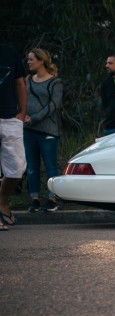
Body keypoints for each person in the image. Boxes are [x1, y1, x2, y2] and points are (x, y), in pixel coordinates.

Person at [24, 48, 63, 213]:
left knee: (50, 164)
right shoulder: (28, 80)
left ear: (41, 61)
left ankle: (52, 198)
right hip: (28, 129)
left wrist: (35, 118)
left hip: (48, 130)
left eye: (31, 59)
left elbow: (54, 105)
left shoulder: (55, 82)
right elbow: (22, 98)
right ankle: (34, 199)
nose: (28, 62)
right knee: (32, 166)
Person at [0, 43, 28, 230]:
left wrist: (22, 112)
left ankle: (2, 201)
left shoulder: (9, 52)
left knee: (17, 168)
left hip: (10, 117)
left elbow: (19, 83)